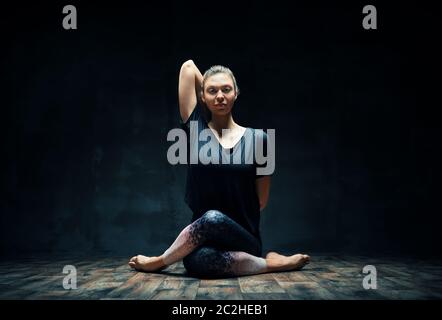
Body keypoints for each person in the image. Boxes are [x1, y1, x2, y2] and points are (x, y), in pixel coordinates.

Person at [129, 60, 310, 278]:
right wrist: (206, 86)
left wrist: (223, 223)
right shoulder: (197, 131)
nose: (220, 96)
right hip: (201, 240)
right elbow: (187, 67)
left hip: (244, 239)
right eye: (212, 91)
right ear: (202, 96)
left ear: (236, 93)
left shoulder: (260, 139)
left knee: (213, 218)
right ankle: (269, 263)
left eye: (226, 89)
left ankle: (158, 261)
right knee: (197, 262)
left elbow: (261, 201)